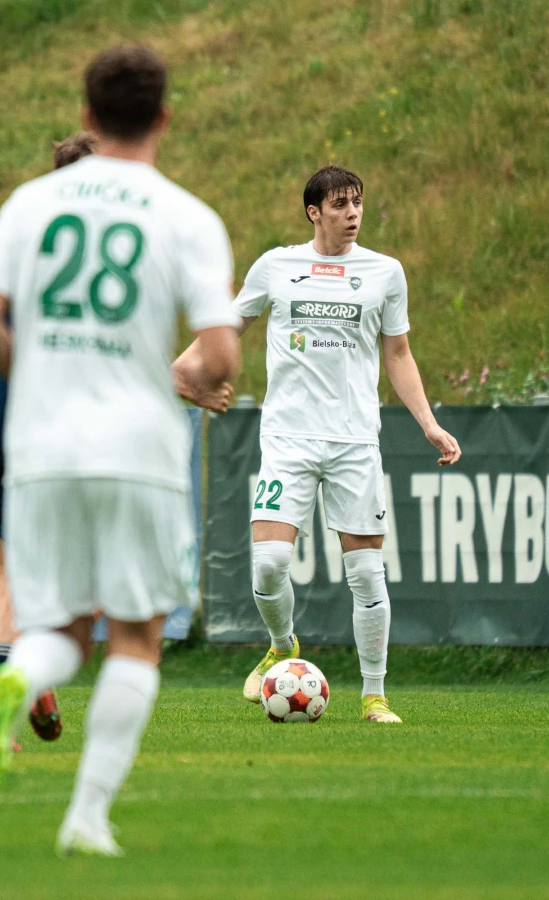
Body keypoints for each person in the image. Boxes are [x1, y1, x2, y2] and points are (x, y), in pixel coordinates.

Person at [0, 43, 240, 856]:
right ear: (164, 118)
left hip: (40, 450)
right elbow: (219, 358)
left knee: (62, 630)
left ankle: (17, 677)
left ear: (86, 115)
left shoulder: (30, 206)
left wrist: (50, 368)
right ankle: (86, 818)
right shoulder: (187, 217)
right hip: (136, 451)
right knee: (136, 638)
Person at [175, 166, 461, 724]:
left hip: (355, 440)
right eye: (340, 205)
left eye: (358, 203)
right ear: (314, 212)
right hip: (288, 437)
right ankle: (283, 645)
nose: (353, 214)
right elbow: (226, 329)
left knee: (367, 574)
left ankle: (374, 696)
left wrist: (428, 422)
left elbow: (398, 353)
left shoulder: (385, 273)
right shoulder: (276, 267)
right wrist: (180, 371)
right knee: (268, 565)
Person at [0, 131, 99, 745]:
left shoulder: (21, 244)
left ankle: (0, 713)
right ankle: (32, 669)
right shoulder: (106, 263)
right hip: (62, 445)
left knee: (11, 587)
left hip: (1, 445)